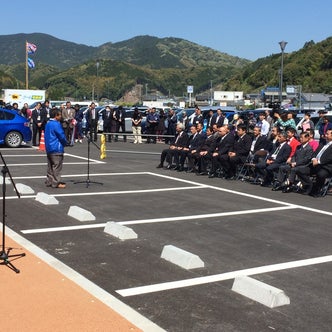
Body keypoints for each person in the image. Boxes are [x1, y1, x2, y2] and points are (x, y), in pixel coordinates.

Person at [295, 129, 332, 196]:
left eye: (327, 134)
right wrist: (314, 158)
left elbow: (330, 158)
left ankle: (317, 189)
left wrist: (319, 161)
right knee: (299, 170)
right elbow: (314, 153)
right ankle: (309, 185)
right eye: (325, 133)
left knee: (320, 174)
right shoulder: (323, 143)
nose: (325, 135)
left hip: (326, 167)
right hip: (315, 164)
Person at [44, 108, 68, 189]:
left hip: (49, 147)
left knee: (50, 166)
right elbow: (61, 135)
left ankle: (49, 181)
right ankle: (56, 182)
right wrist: (65, 143)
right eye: (59, 115)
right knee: (57, 166)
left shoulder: (48, 123)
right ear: (56, 116)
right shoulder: (56, 124)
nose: (61, 116)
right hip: (56, 147)